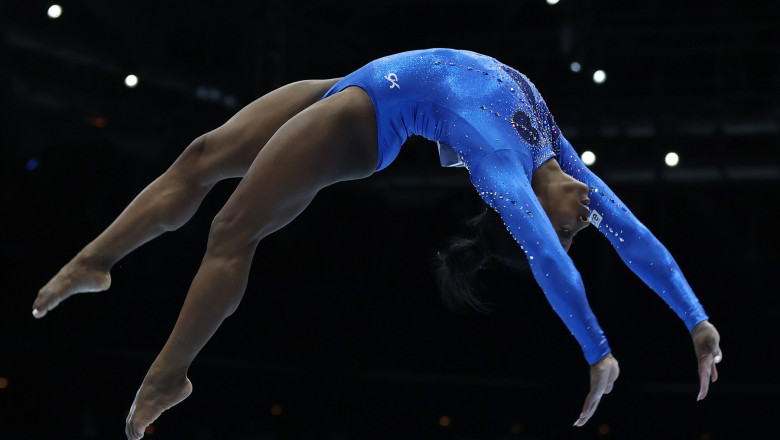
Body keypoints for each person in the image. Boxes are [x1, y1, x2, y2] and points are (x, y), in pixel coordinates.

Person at [32, 48, 722, 439]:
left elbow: (544, 253)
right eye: (579, 226)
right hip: (357, 80)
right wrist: (696, 321)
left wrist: (597, 351)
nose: (584, 216)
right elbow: (639, 240)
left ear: (533, 214)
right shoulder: (560, 159)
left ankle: (164, 378)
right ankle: (93, 262)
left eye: (572, 229)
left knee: (232, 229)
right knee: (202, 155)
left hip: (362, 121)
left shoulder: (501, 172)